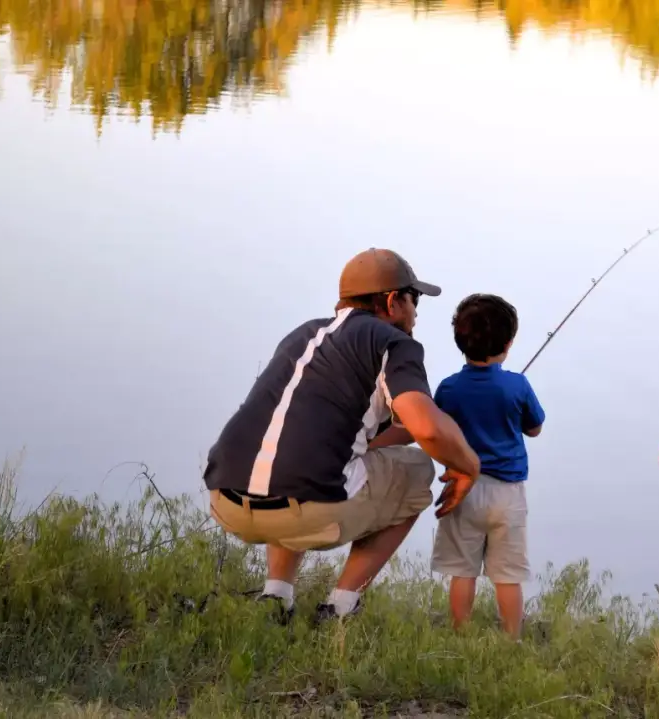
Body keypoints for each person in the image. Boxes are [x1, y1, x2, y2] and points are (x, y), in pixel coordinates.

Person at [202, 248, 481, 626]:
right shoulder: (395, 343)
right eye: (414, 299)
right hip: (307, 513)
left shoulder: (302, 335)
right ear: (392, 302)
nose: (416, 312)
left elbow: (377, 432)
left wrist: (422, 432)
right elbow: (427, 429)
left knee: (291, 452)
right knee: (418, 470)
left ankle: (276, 596)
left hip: (227, 501)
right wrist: (468, 465)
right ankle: (341, 607)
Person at [429, 293, 545, 638]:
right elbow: (535, 428)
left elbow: (439, 430)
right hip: (507, 495)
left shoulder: (449, 388)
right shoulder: (517, 384)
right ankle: (512, 639)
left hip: (461, 490)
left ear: (460, 341)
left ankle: (460, 634)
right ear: (508, 344)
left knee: (462, 571)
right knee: (508, 575)